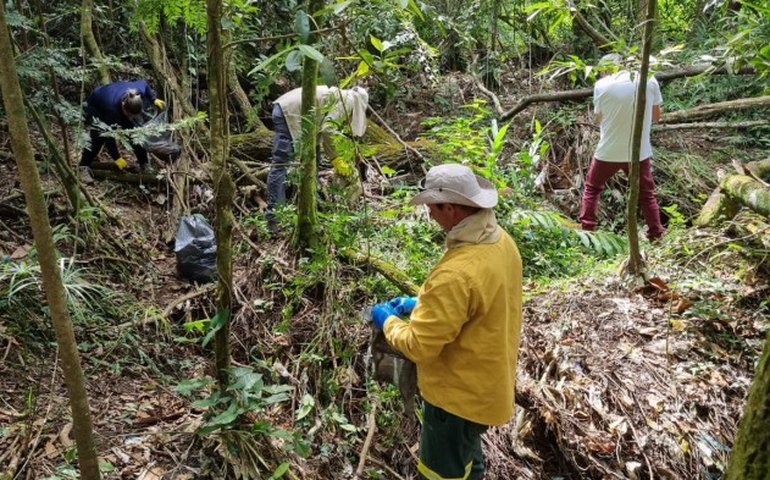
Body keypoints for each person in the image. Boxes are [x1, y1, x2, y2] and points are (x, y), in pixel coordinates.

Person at [369, 163, 523, 480]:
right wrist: (422, 304)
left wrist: (388, 323)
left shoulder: (456, 273)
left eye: (431, 207)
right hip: (487, 387)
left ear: (450, 208)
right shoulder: (500, 242)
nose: (429, 215)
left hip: (455, 400)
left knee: (440, 473)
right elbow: (481, 301)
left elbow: (419, 346)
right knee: (467, 459)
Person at [579, 53, 665, 241]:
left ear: (604, 69)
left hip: (608, 150)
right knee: (647, 194)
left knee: (592, 189)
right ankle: (656, 234)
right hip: (639, 152)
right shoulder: (648, 79)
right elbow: (656, 117)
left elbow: (599, 118)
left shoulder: (601, 85)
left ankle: (587, 230)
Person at [266, 86, 369, 230]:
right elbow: (328, 129)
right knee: (280, 164)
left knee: (313, 161)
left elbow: (323, 127)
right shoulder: (348, 100)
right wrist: (336, 159)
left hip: (295, 112)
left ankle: (309, 209)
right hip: (288, 112)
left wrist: (335, 156)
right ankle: (274, 218)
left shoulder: (340, 95)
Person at [78, 80, 166, 183]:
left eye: (134, 116)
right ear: (123, 107)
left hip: (113, 98)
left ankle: (144, 164)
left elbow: (144, 83)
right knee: (98, 136)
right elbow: (109, 136)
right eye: (129, 115)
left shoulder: (137, 92)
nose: (131, 117)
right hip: (95, 106)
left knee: (135, 133)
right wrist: (117, 158)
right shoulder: (112, 110)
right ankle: (83, 166)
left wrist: (153, 99)